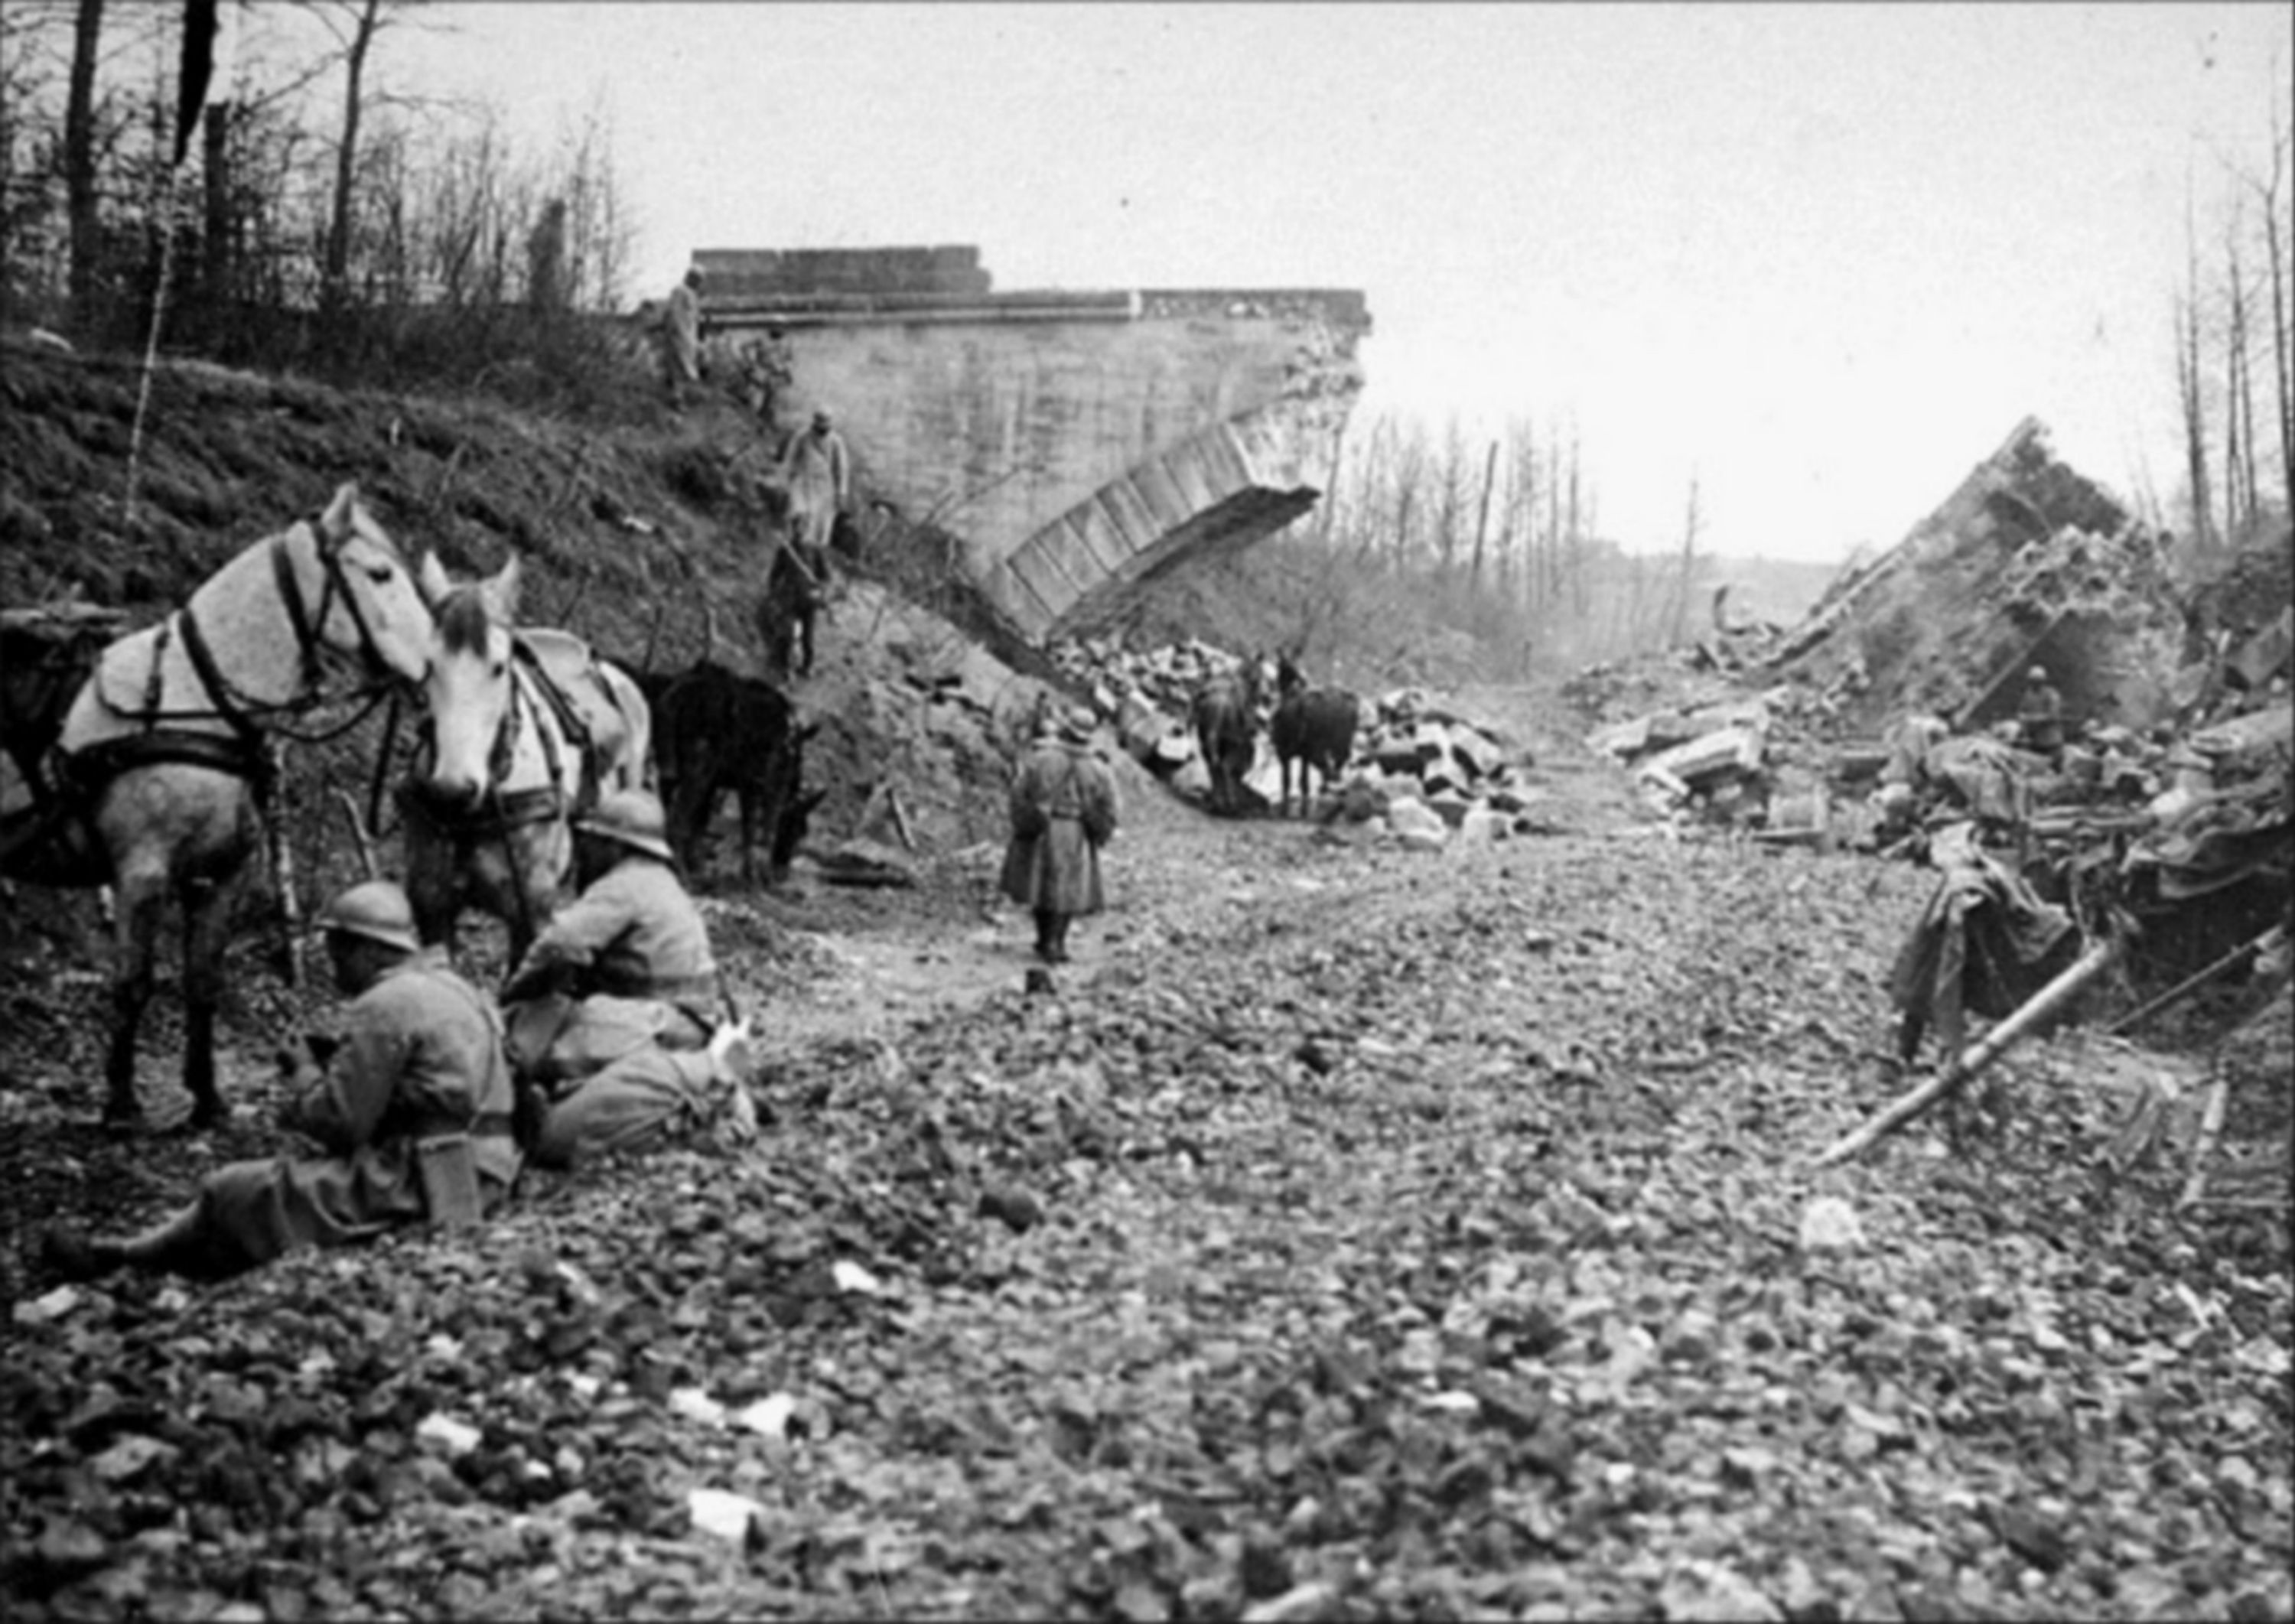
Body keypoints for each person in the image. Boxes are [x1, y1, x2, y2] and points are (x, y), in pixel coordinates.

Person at [41, 881, 519, 1281]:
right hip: (486, 1166)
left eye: (338, 954)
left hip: (426, 1181)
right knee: (268, 1190)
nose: (334, 968)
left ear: (365, 948)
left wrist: (304, 1071)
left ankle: (123, 1256)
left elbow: (340, 1125)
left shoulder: (386, 1003)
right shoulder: (455, 987)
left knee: (233, 1188)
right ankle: (148, 1253)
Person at [500, 788, 753, 1169]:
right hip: (690, 1020)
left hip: (656, 1020)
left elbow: (559, 945)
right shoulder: (664, 882)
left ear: (614, 846)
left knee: (526, 1044)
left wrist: (514, 994)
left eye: (593, 842)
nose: (586, 852)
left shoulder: (624, 884)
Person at [1001, 705, 1118, 965]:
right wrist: (1101, 831)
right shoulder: (1099, 768)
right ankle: (1058, 942)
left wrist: (1024, 822)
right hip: (1077, 830)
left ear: (1065, 729)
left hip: (1044, 827)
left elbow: (1019, 792)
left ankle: (1044, 939)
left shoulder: (1041, 758)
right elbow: (1109, 806)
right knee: (1070, 889)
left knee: (1040, 883)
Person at [778, 408, 851, 582]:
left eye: (826, 424)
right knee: (801, 520)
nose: (822, 428)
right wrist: (784, 484)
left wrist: (841, 492)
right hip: (803, 484)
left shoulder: (836, 441)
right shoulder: (802, 437)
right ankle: (796, 564)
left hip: (825, 490)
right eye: (820, 423)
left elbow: (842, 469)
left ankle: (817, 571)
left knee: (820, 532)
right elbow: (789, 460)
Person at [660, 268, 705, 408]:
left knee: (687, 366)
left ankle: (683, 397)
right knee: (678, 367)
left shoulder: (692, 295)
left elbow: (693, 319)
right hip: (679, 336)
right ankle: (677, 399)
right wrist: (678, 334)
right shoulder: (680, 292)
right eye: (697, 279)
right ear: (690, 278)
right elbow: (674, 314)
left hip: (689, 337)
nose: (699, 283)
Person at [2017, 664, 2065, 763]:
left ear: (2043, 681)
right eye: (2032, 680)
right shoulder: (2028, 694)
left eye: (2037, 680)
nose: (2034, 683)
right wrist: (2021, 716)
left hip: (2051, 742)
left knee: (2054, 767)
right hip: (2034, 741)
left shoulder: (2051, 694)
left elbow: (2053, 716)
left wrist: (2030, 718)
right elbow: (2022, 710)